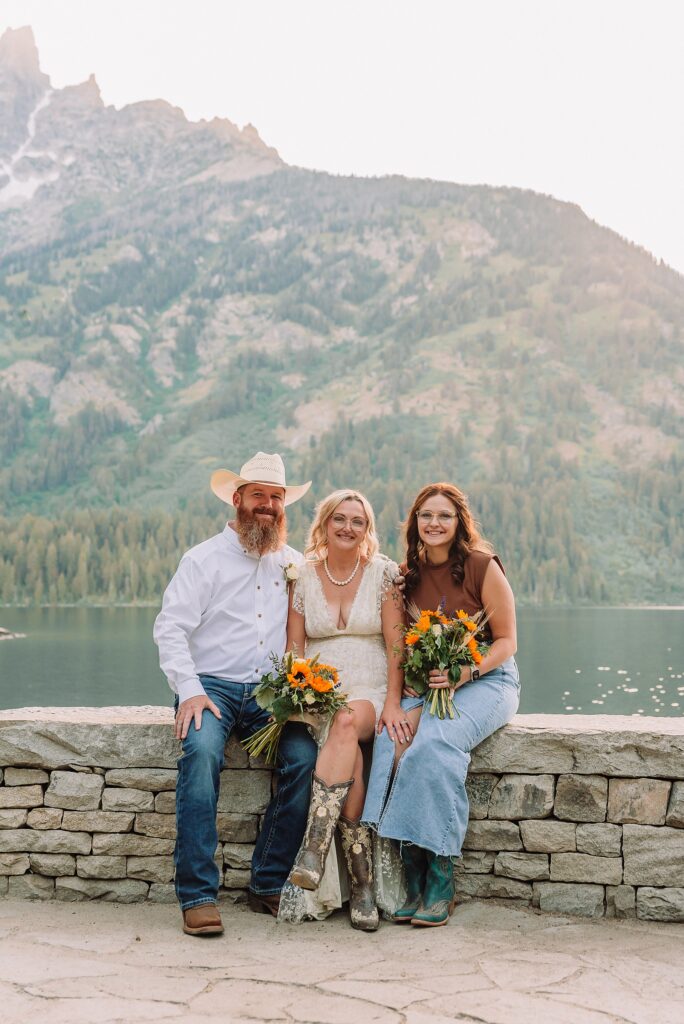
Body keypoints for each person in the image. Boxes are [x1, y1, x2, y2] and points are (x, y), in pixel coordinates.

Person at [153, 452, 318, 935]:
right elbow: (170, 629)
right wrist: (188, 691)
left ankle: (266, 881)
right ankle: (198, 895)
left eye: (277, 498)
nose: (268, 505)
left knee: (304, 759)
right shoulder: (202, 559)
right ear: (238, 498)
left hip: (272, 697)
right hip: (212, 690)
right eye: (259, 496)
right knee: (201, 752)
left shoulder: (293, 564)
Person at [362, 482, 520, 927]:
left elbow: (507, 641)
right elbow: (398, 649)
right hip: (432, 685)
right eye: (426, 515)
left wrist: (464, 673)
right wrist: (398, 700)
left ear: (458, 523)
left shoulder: (481, 566)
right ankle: (410, 872)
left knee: (434, 743)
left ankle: (441, 874)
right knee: (395, 742)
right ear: (414, 523)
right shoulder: (405, 577)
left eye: (444, 516)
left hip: (488, 679)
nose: (434, 523)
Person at [278, 490, 405, 931]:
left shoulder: (385, 573)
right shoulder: (303, 576)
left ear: (367, 530)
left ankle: (314, 847)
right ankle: (362, 883)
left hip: (370, 692)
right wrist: (300, 690)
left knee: (348, 721)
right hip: (321, 696)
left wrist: (393, 702)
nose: (349, 528)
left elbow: (397, 647)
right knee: (342, 737)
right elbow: (294, 649)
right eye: (341, 519)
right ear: (325, 523)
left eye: (359, 521)